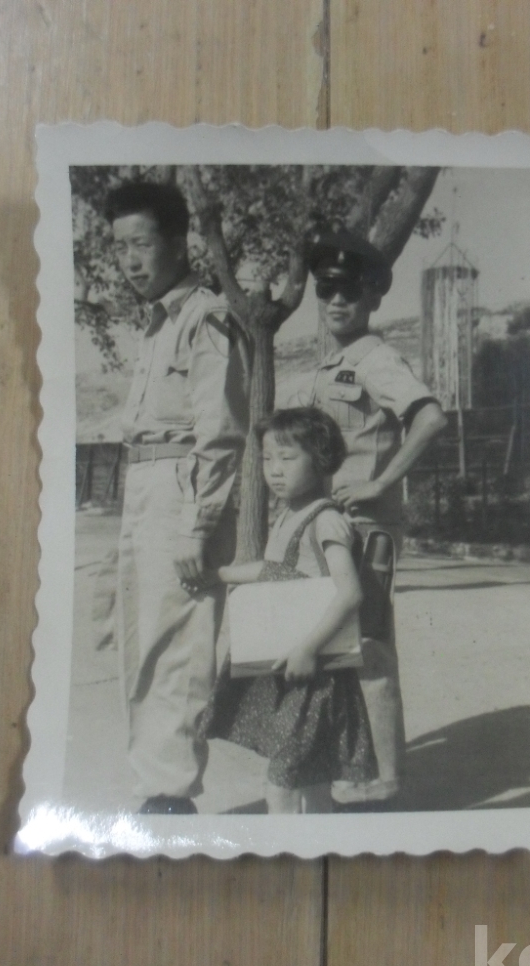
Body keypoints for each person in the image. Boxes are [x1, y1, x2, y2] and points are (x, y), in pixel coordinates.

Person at [105, 181, 248, 814]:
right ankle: (155, 787)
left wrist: (199, 524)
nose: (130, 261)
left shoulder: (205, 316)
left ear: (178, 241)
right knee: (142, 640)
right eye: (120, 248)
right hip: (145, 484)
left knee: (180, 641)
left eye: (141, 244)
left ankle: (170, 796)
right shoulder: (157, 324)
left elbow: (220, 431)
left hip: (180, 489)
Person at [301, 229, 448, 804]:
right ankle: (357, 770)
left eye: (351, 291)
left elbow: (430, 418)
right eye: (326, 289)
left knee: (369, 648)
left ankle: (386, 782)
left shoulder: (377, 359)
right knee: (340, 647)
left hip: (366, 529)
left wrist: (382, 483)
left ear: (374, 297)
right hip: (331, 527)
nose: (337, 301)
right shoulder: (332, 364)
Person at [199, 408, 377, 814]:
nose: (274, 470)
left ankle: (288, 845)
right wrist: (220, 574)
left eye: (287, 458)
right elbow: (272, 568)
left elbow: (350, 593)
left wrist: (308, 649)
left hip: (315, 671)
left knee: (284, 779)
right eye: (267, 459)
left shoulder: (325, 520)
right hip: (292, 665)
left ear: (320, 459)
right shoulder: (287, 514)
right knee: (310, 776)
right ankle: (316, 843)